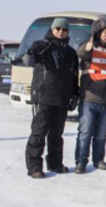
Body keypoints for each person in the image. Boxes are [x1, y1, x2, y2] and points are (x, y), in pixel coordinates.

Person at [24, 18, 79, 178]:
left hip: (61, 99)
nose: (61, 32)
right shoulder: (42, 46)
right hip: (43, 97)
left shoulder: (71, 52)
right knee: (38, 133)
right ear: (52, 30)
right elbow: (31, 58)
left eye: (64, 29)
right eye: (58, 28)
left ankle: (55, 163)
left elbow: (74, 76)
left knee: (56, 134)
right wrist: (30, 56)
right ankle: (34, 166)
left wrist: (75, 94)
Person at [75, 18, 106, 174]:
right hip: (89, 98)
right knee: (85, 132)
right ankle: (81, 162)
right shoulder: (90, 46)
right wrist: (87, 47)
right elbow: (81, 53)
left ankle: (98, 159)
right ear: (99, 33)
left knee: (102, 133)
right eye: (105, 32)